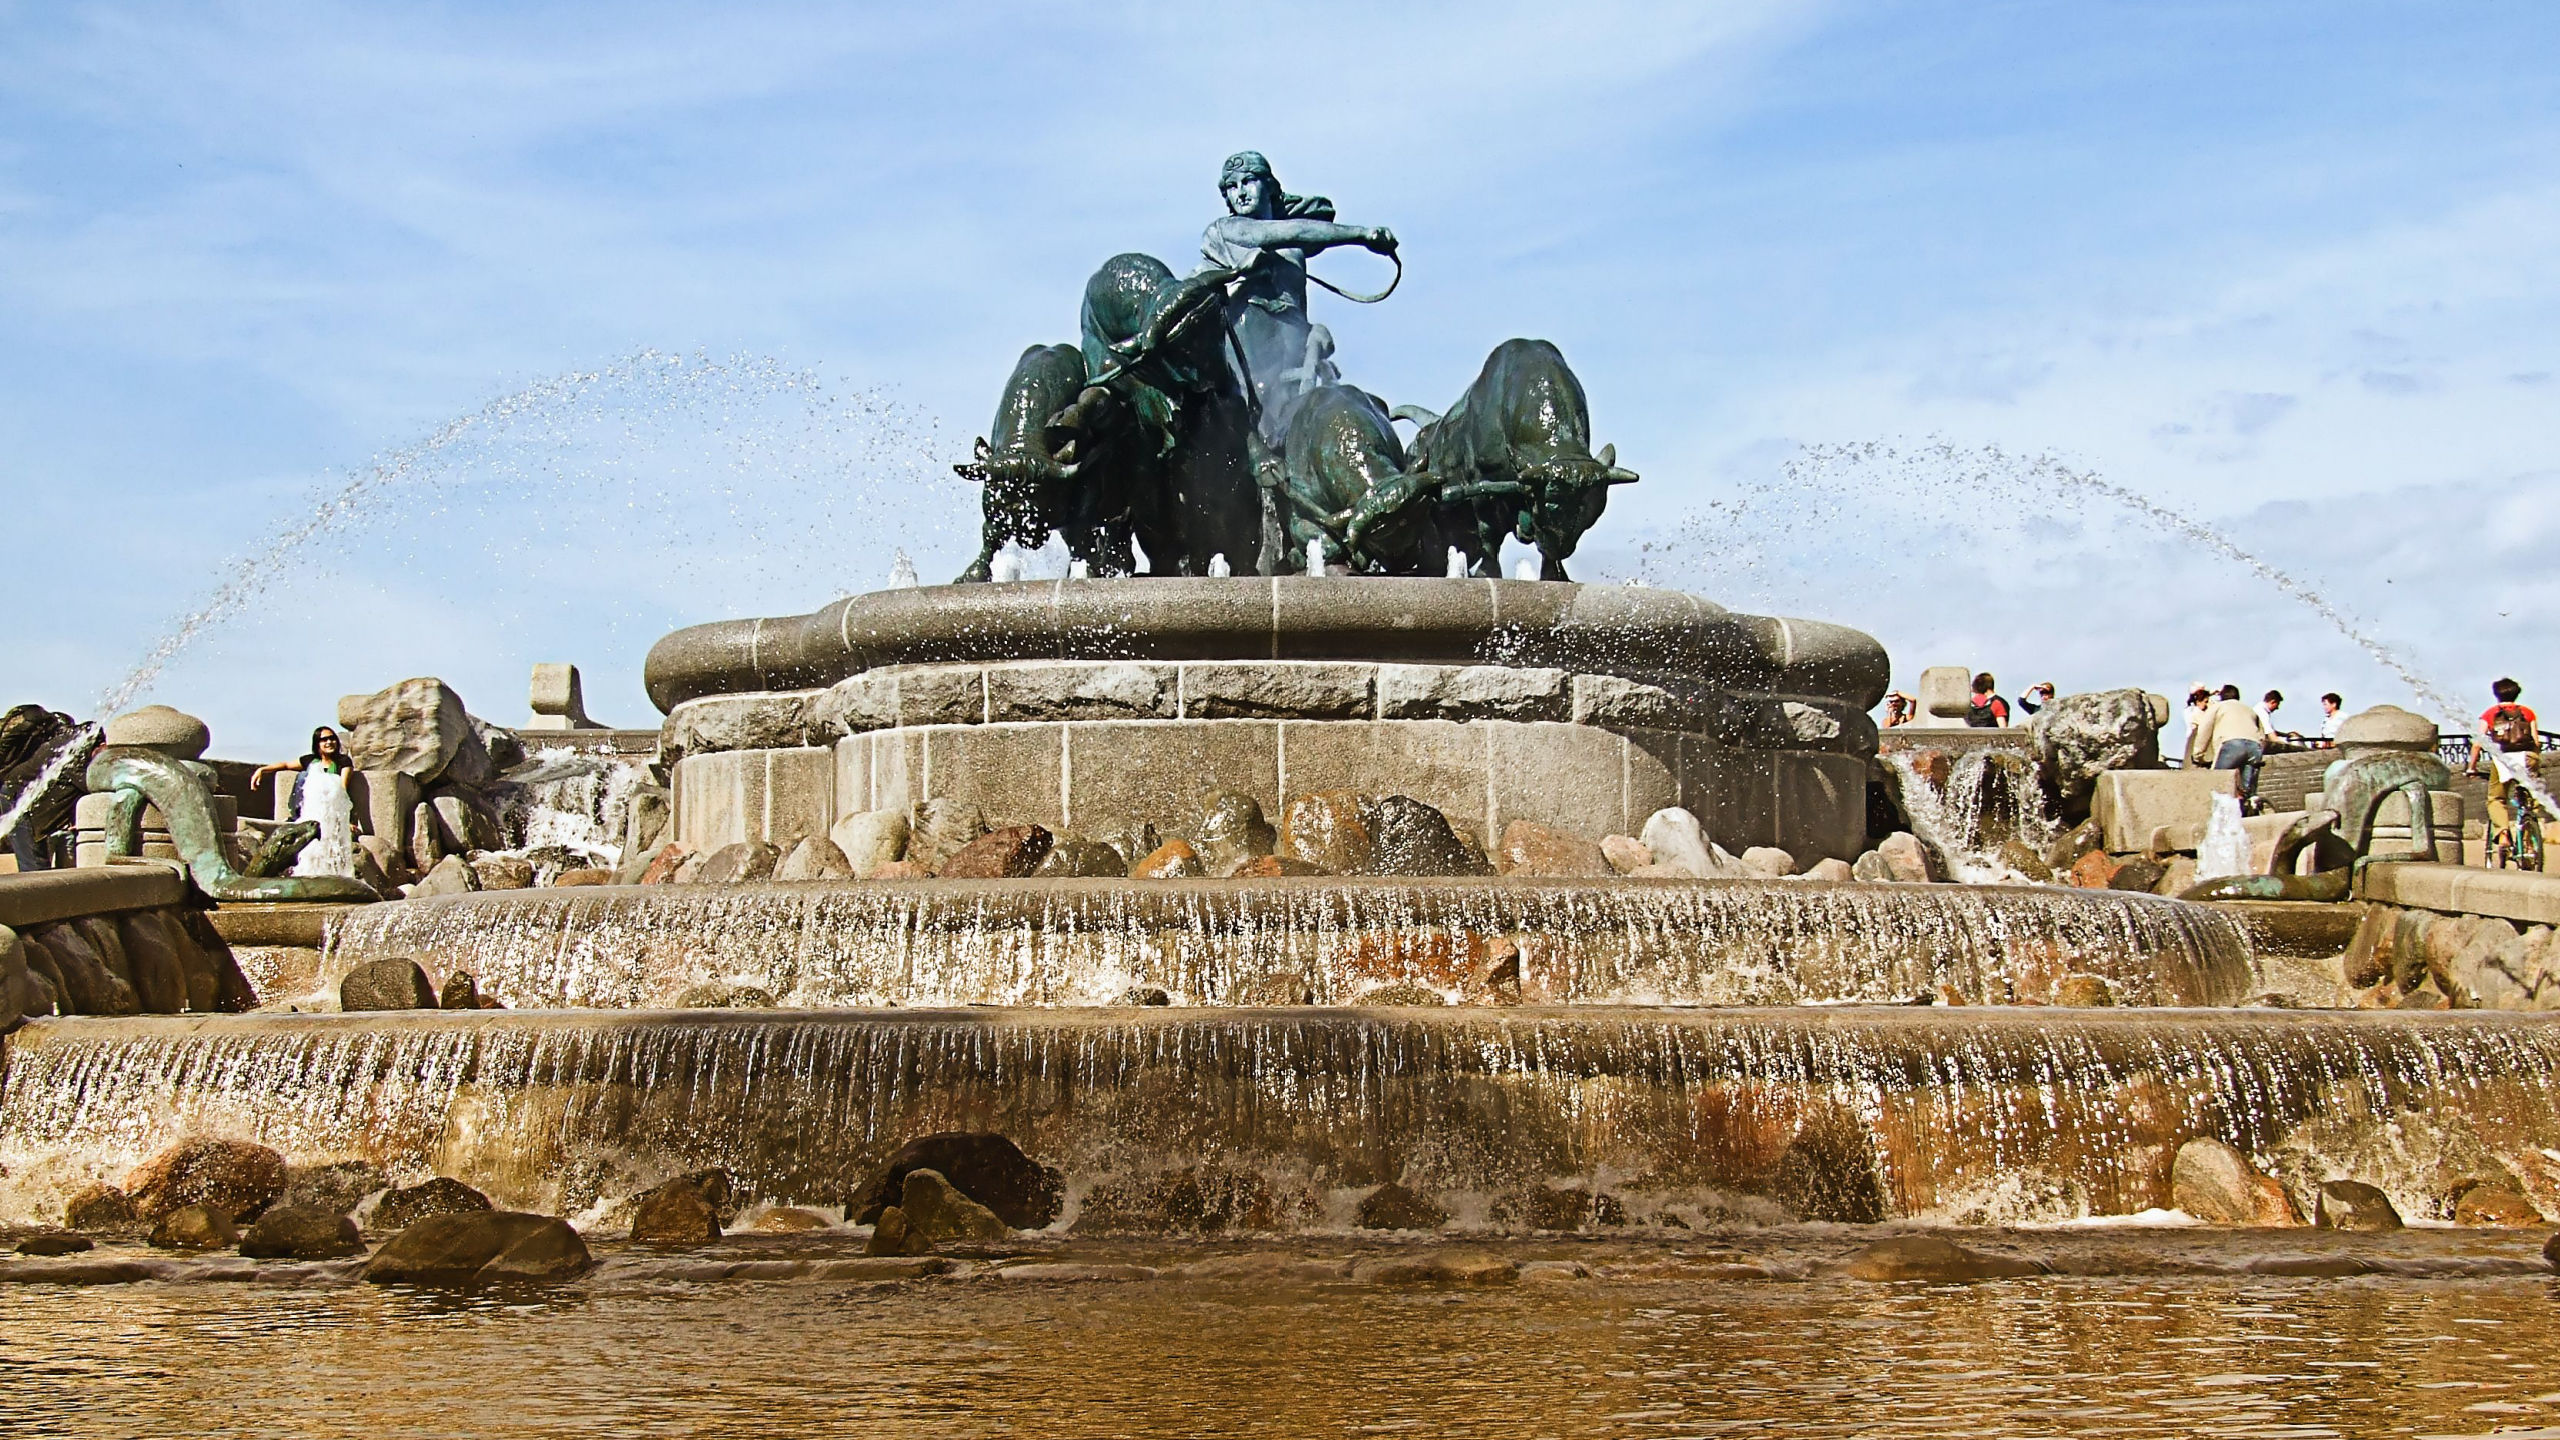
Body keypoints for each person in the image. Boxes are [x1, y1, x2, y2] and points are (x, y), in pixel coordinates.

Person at [1198, 151, 1397, 444]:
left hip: (1295, 369)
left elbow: (1313, 218)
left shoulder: (1292, 250)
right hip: (1248, 373)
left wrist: (1313, 335)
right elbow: (1293, 229)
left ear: (1268, 185)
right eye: (1232, 187)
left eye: (1249, 181)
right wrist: (1362, 235)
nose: (1240, 193)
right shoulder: (1226, 230)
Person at [252, 726, 356, 878]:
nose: (329, 742)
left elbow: (342, 790)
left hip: (332, 811)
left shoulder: (343, 761)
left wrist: (347, 821)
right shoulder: (310, 760)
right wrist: (262, 770)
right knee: (303, 776)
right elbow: (286, 765)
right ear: (317, 743)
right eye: (324, 739)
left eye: (332, 738)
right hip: (310, 811)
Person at [2469, 678, 2542, 840]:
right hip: (2527, 757)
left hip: (2504, 759)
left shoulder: (2490, 714)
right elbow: (2536, 741)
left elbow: (2477, 743)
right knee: (2532, 795)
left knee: (2496, 798)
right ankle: (2530, 835)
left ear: (2496, 694)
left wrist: (2471, 767)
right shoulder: (2527, 713)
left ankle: (2503, 834)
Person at [2192, 684, 2271, 809]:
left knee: (2218, 783)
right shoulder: (2250, 709)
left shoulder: (2218, 707)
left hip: (2232, 745)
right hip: (2254, 747)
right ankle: (2248, 809)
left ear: (2222, 697)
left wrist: (2198, 755)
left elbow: (2204, 730)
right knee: (2247, 791)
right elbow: (2262, 736)